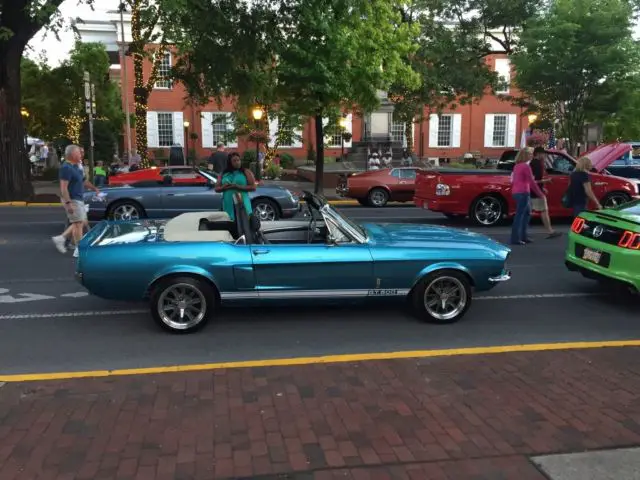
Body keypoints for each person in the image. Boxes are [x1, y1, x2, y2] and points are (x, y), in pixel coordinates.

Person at [51, 145, 100, 257]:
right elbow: (63, 188)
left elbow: (83, 181)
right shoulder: (66, 168)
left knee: (82, 222)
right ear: (72, 154)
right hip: (72, 199)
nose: (81, 155)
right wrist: (68, 203)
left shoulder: (76, 167)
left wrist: (94, 188)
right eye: (79, 153)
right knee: (78, 224)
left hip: (78, 198)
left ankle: (61, 238)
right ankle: (79, 250)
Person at [510, 149, 545, 245]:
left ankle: (523, 236)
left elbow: (514, 180)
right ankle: (516, 238)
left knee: (527, 213)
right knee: (520, 215)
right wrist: (540, 194)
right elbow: (531, 182)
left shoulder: (517, 166)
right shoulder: (525, 166)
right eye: (529, 154)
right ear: (525, 155)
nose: (531, 155)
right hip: (523, 193)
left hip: (517, 192)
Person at [215, 152, 256, 221]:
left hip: (243, 202)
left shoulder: (246, 172)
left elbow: (253, 187)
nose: (237, 162)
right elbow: (216, 189)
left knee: (245, 223)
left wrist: (237, 186)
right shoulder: (223, 173)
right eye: (234, 161)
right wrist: (224, 187)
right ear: (229, 162)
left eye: (238, 160)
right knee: (230, 224)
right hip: (228, 203)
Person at [530, 147, 561, 239]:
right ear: (539, 154)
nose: (545, 156)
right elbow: (533, 180)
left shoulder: (532, 163)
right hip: (536, 192)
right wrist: (546, 181)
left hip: (534, 190)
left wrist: (542, 186)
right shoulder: (537, 164)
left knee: (529, 211)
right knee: (544, 211)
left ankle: (522, 231)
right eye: (543, 154)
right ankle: (550, 231)